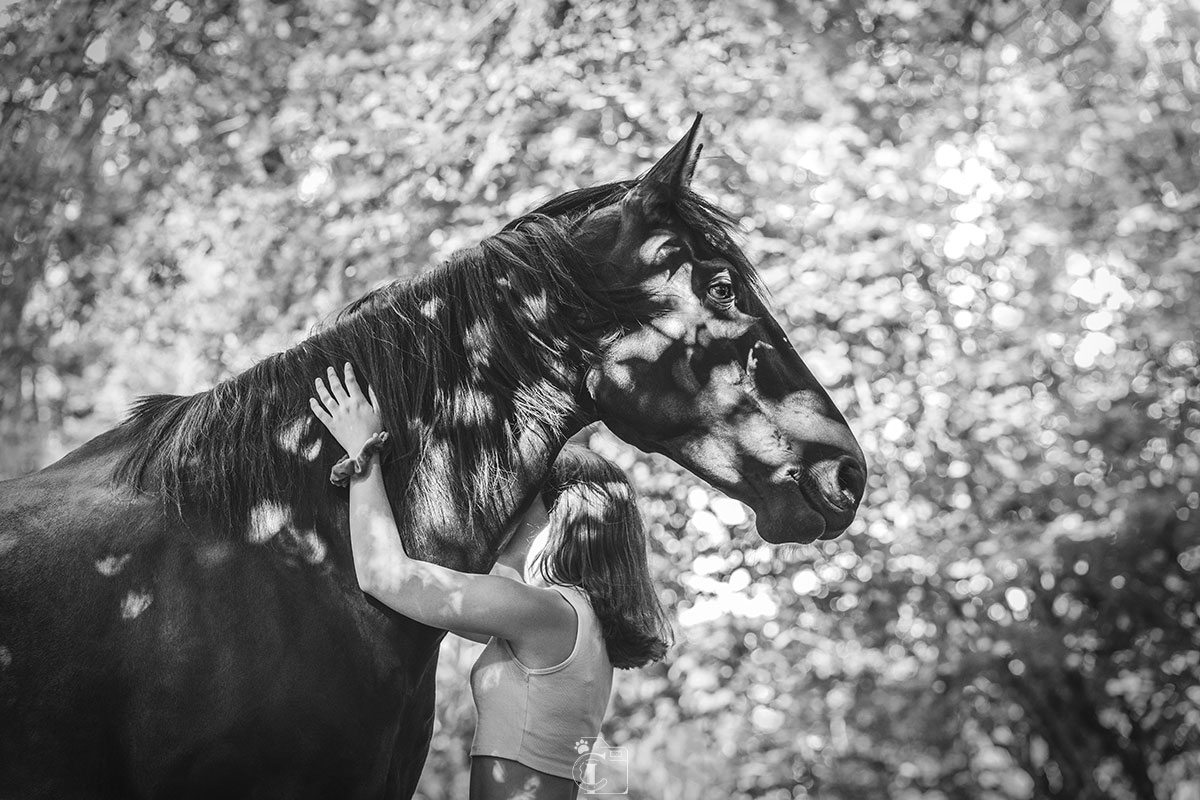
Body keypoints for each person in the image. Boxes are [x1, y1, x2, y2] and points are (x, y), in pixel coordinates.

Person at [311, 363, 671, 800]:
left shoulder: (545, 613)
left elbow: (384, 577)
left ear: (558, 516)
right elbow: (453, 601)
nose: (507, 511)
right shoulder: (576, 622)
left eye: (523, 500)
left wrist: (361, 450)